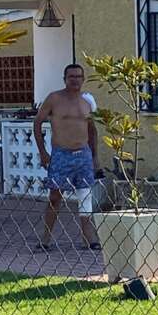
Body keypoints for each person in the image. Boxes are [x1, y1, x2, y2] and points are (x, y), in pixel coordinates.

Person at [34, 64, 101, 250]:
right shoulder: (54, 98)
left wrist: (95, 157)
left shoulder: (88, 101)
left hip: (83, 155)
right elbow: (37, 123)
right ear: (65, 78)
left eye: (78, 76)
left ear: (83, 79)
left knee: (85, 196)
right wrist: (43, 152)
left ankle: (89, 238)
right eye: (71, 76)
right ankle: (45, 239)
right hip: (61, 154)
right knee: (55, 197)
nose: (75, 80)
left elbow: (92, 131)